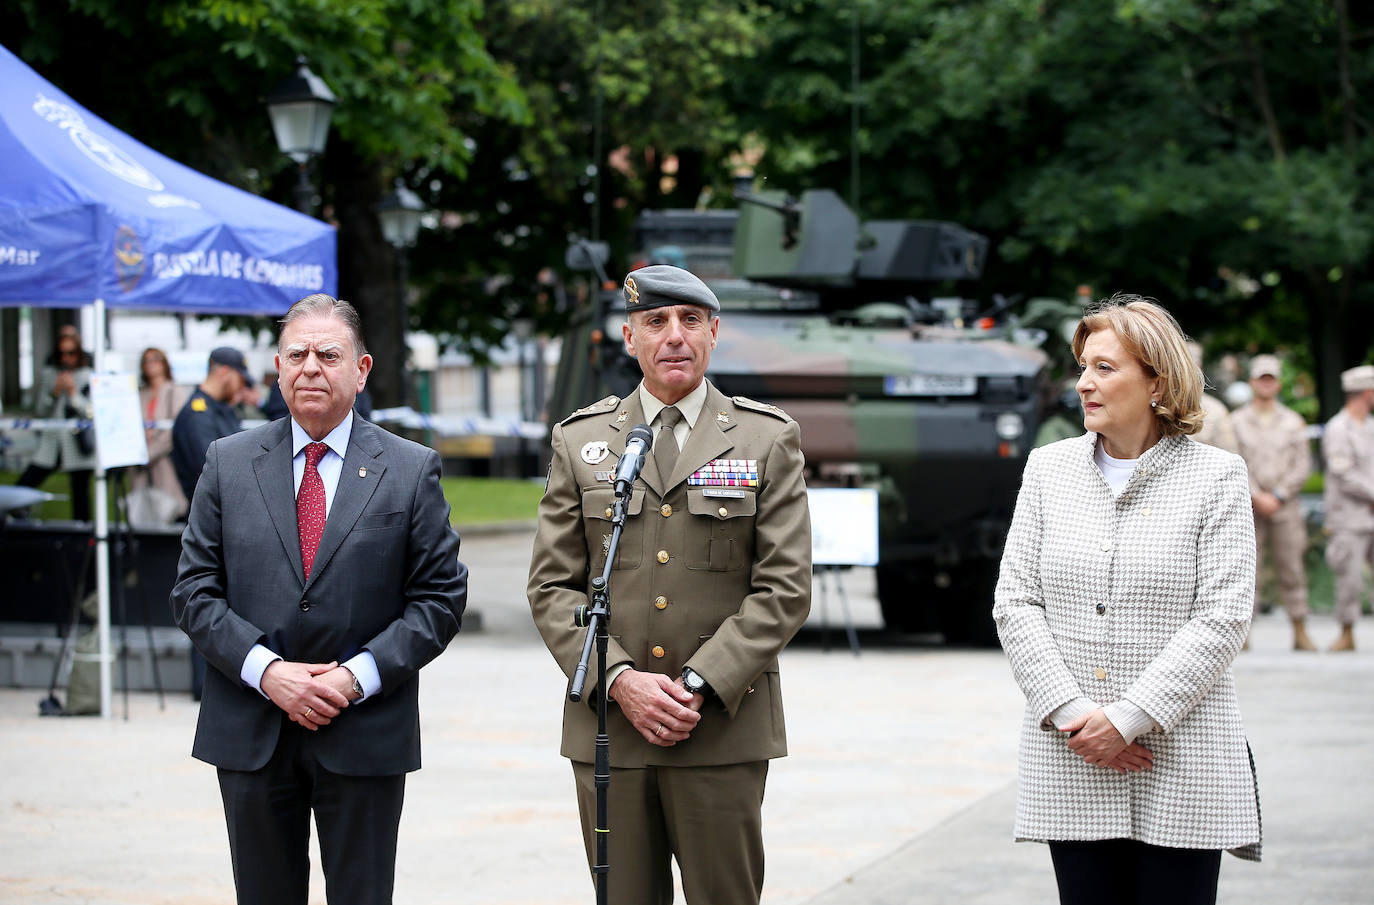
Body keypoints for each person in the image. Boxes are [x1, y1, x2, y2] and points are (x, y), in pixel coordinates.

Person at [527, 264, 812, 905]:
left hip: (718, 727)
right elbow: (553, 587)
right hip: (611, 728)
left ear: (714, 333)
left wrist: (697, 684)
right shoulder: (581, 441)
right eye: (655, 322)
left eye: (689, 321)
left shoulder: (766, 438)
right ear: (630, 337)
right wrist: (623, 681)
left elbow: (785, 588)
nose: (673, 336)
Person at [170, 293, 467, 905]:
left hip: (363, 731)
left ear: (360, 370)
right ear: (277, 369)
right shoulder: (226, 463)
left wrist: (356, 678)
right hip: (253, 730)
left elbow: (439, 599)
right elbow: (194, 591)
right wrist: (268, 672)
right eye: (296, 354)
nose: (310, 367)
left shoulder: (410, 471)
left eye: (328, 355)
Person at [993, 293, 1261, 905]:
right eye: (1083, 366)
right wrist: (1073, 716)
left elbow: (1223, 617)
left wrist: (1127, 718)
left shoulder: (1216, 476)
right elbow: (1015, 601)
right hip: (1073, 755)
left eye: (1105, 368)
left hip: (1181, 757)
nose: (1084, 383)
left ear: (1157, 381)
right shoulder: (1047, 468)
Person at [1230, 354, 1313, 650]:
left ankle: (1300, 628)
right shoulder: (1237, 421)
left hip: (1284, 506)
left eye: (1271, 379)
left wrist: (1278, 495)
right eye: (1261, 378)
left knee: (1292, 567)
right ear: (1252, 382)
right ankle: (1243, 635)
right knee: (1244, 571)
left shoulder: (1293, 421)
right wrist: (1255, 494)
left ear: (1278, 384)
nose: (1266, 384)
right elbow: (1233, 459)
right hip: (1248, 506)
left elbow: (1302, 466)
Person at [1319, 365, 1374, 652]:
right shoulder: (1339, 428)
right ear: (1367, 392)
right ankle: (1346, 631)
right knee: (1349, 576)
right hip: (1349, 517)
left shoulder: (1370, 426)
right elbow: (1344, 473)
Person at [16, 329, 96, 520]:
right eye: (61, 353)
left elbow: (91, 412)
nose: (66, 358)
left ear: (79, 354)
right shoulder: (50, 375)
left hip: (77, 445)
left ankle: (84, 542)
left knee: (80, 496)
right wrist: (55, 391)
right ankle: (18, 521)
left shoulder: (88, 376)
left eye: (71, 353)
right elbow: (41, 411)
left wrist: (73, 394)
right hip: (52, 443)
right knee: (25, 484)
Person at [171, 346, 252, 506]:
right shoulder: (197, 415)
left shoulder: (222, 409)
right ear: (223, 372)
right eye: (239, 380)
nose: (241, 387)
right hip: (210, 511)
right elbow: (209, 469)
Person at [127, 347, 187, 524]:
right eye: (146, 361)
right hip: (140, 468)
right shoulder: (139, 394)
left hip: (164, 461)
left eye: (155, 359)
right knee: (141, 511)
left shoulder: (175, 391)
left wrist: (149, 453)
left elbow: (175, 428)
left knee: (169, 508)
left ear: (164, 363)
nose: (150, 364)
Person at [1185, 340, 1239, 453]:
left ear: (1201, 371)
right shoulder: (1158, 406)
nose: (1186, 373)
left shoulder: (1216, 411)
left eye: (1192, 368)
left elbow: (1229, 456)